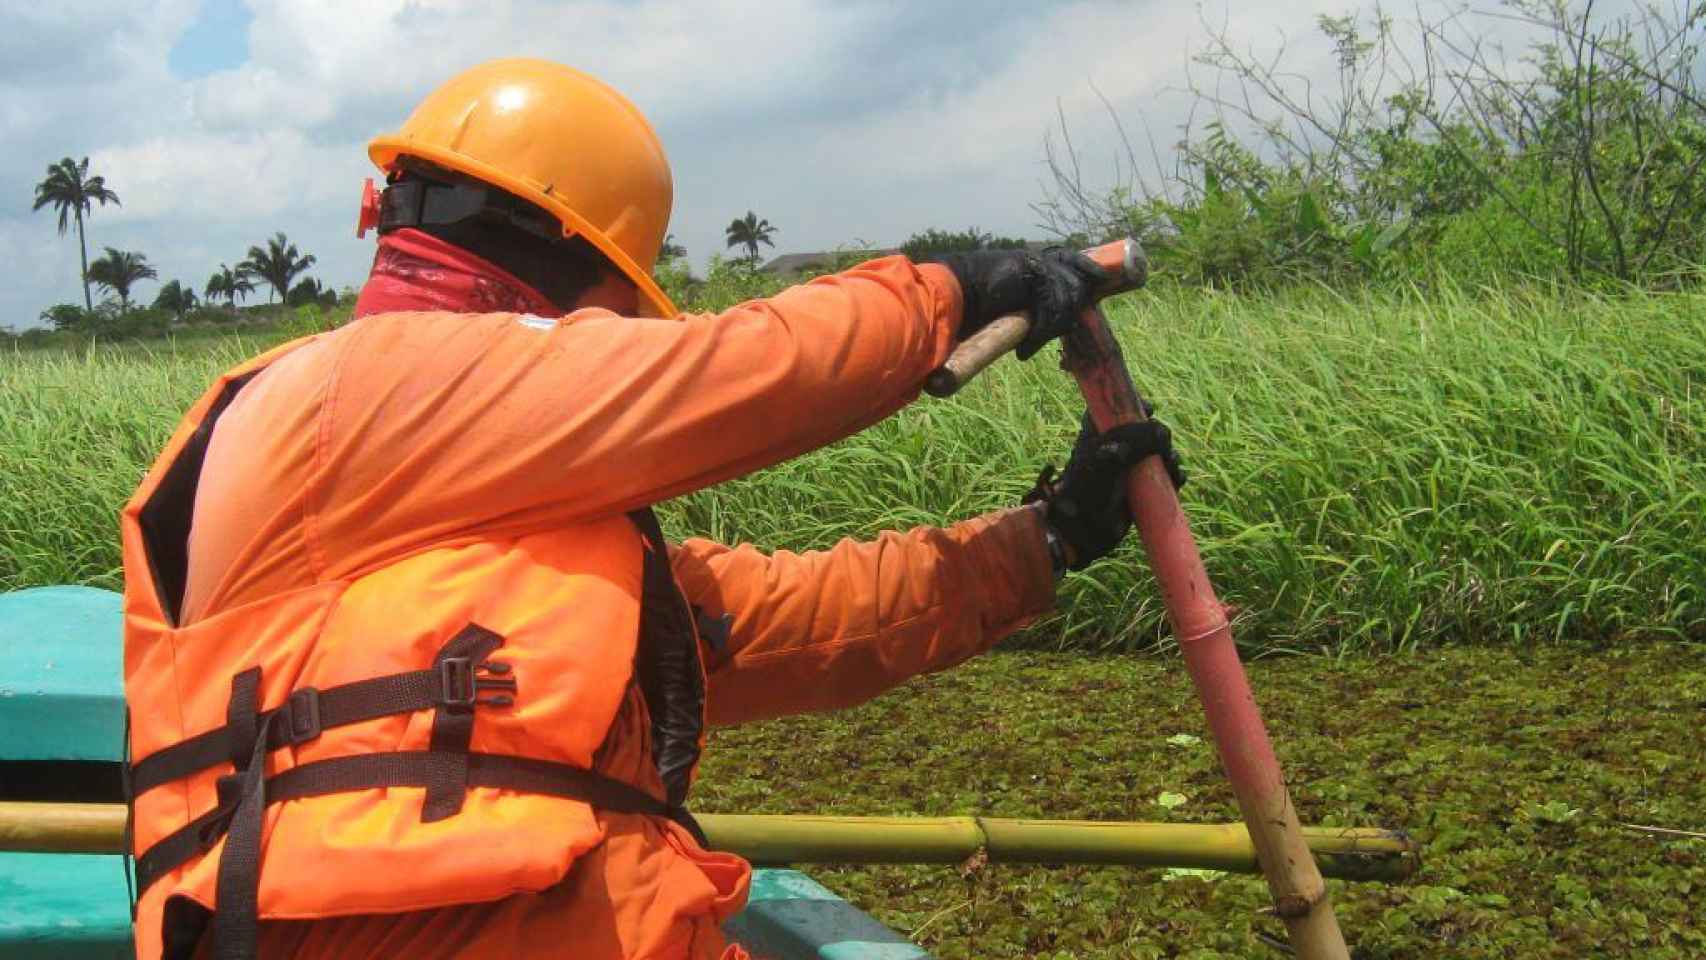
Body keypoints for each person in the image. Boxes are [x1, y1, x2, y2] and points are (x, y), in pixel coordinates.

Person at [119, 58, 1180, 960]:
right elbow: (741, 375)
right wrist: (953, 290)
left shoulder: (473, 496)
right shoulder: (348, 395)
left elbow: (792, 622)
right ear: (585, 269)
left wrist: (1046, 541)